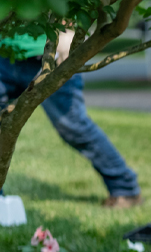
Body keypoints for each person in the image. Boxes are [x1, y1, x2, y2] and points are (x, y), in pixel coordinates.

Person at [0, 33, 142, 207]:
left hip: (51, 55)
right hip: (3, 55)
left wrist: (68, 32)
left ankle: (125, 188)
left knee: (72, 125)